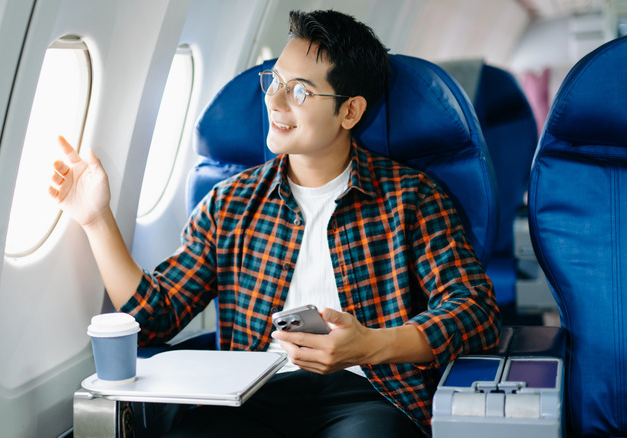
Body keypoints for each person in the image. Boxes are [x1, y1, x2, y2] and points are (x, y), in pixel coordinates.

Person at [48, 9, 500, 437]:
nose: (275, 100)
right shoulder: (231, 203)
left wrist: (370, 345)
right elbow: (155, 317)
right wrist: (96, 218)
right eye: (275, 81)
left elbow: (475, 311)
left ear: (350, 112)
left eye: (299, 91)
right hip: (251, 396)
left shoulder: (412, 198)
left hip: (368, 394)